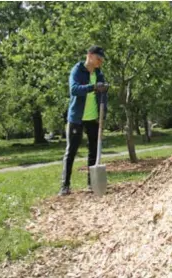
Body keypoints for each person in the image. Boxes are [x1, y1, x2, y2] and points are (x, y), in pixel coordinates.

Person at [59, 46, 109, 196]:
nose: (100, 62)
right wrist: (93, 87)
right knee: (71, 152)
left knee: (93, 151)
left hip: (93, 117)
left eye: (102, 60)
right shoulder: (77, 70)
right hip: (77, 118)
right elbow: (74, 89)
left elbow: (103, 96)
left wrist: (103, 113)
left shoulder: (99, 74)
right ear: (90, 55)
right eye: (98, 58)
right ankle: (65, 185)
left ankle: (92, 184)